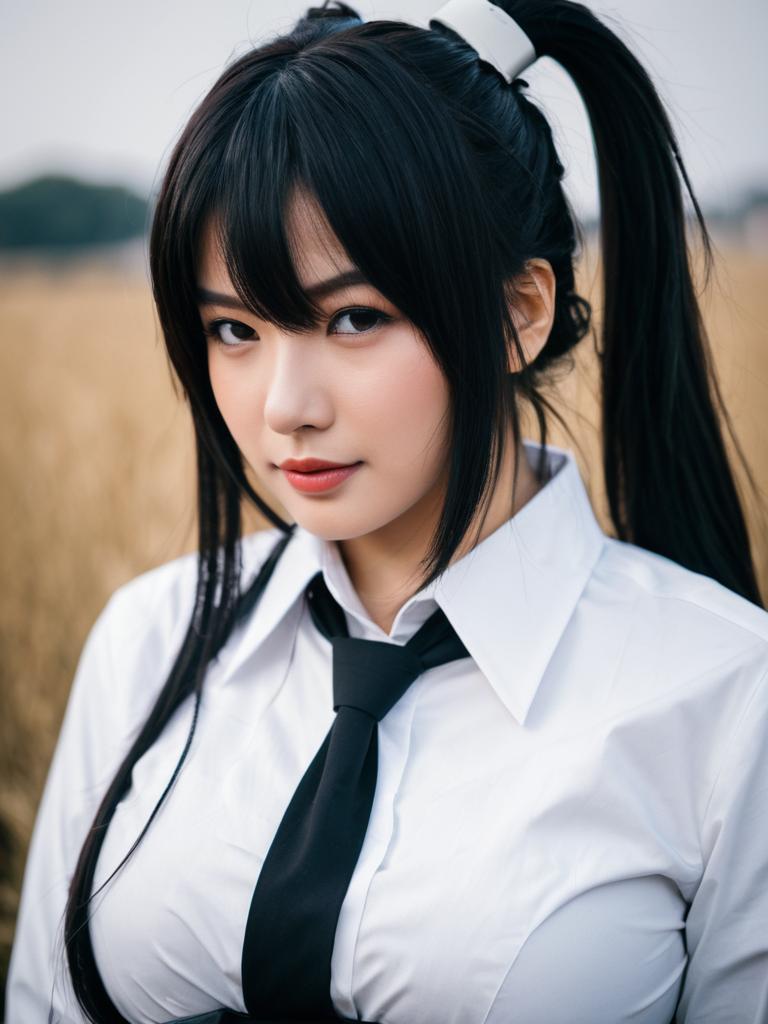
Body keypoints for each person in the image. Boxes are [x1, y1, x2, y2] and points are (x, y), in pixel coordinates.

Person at [6, 0, 768, 1021]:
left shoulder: (728, 697)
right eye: (233, 329)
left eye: (354, 318)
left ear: (519, 312)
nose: (285, 407)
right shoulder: (150, 641)